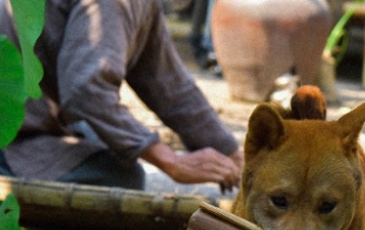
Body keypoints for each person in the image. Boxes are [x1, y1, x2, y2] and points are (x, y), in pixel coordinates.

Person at [0, 0, 242, 191]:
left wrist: (236, 156)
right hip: (12, 136)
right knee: (121, 175)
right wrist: (171, 160)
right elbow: (86, 93)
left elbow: (170, 86)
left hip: (29, 123)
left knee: (106, 141)